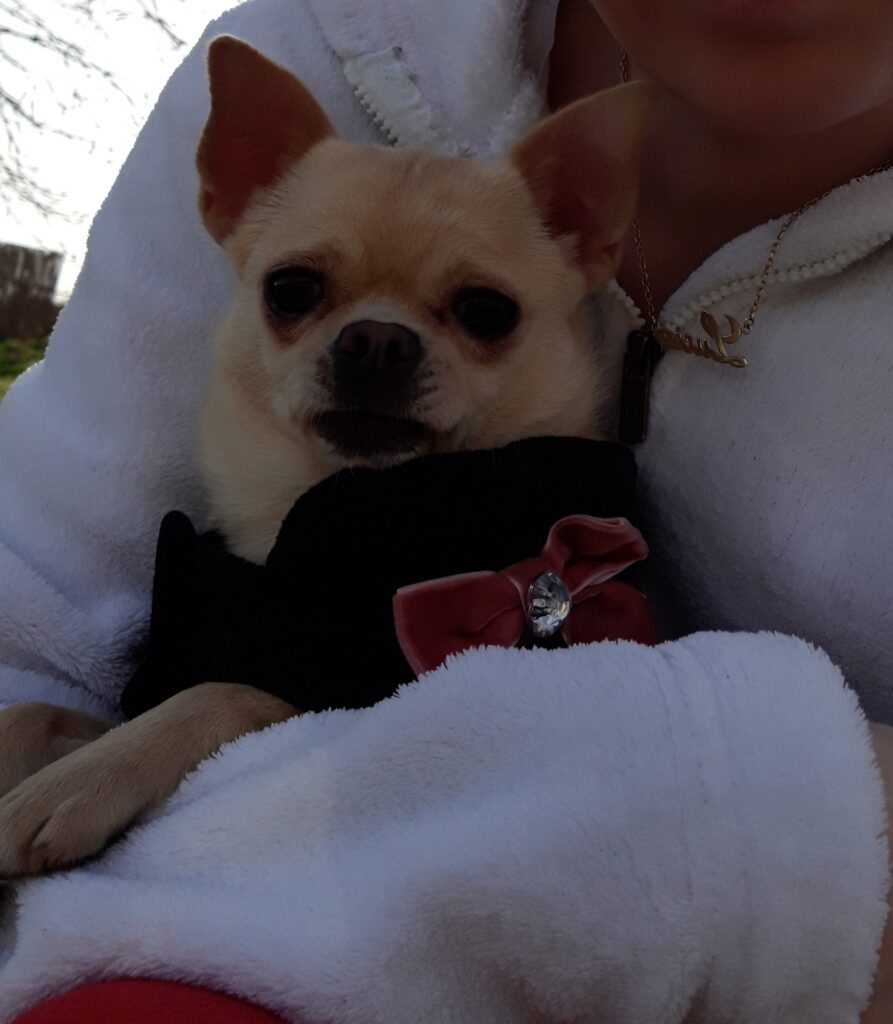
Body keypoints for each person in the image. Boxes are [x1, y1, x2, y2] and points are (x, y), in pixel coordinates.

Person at [0, 0, 892, 1020]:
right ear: (231, 195)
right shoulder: (323, 39)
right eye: (301, 294)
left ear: (582, 226)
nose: (375, 345)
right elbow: (33, 608)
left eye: (475, 314)